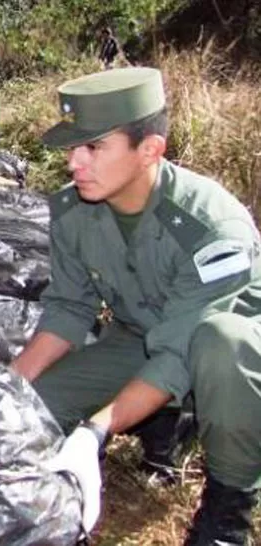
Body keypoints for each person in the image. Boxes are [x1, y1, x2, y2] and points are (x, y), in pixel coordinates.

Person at [17, 67, 261, 544]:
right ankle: (167, 417)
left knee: (219, 344)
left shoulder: (211, 226)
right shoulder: (74, 213)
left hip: (234, 354)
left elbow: (181, 350)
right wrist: (7, 388)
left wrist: (94, 431)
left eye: (94, 148)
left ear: (149, 149)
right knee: (36, 408)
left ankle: (229, 510)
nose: (74, 163)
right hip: (146, 339)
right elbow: (67, 309)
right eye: (72, 148)